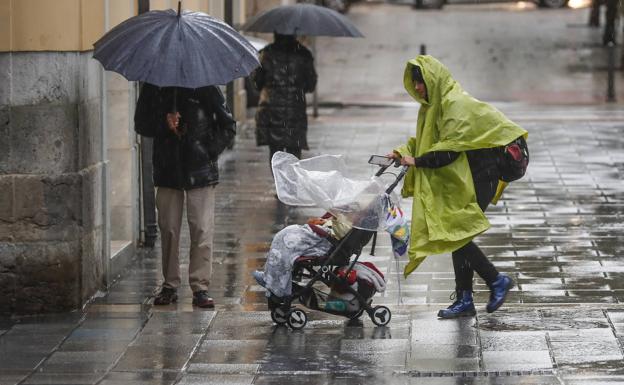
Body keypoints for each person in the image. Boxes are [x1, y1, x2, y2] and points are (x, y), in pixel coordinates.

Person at [388, 55, 528, 319]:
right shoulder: (434, 106)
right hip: (469, 174)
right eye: (414, 82)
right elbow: (427, 141)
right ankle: (465, 298)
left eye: (420, 81)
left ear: (432, 79)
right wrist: (402, 152)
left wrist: (416, 161)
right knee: (455, 233)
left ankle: (495, 280)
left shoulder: (455, 104)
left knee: (455, 233)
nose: (417, 87)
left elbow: (449, 151)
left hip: (484, 173)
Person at [134, 83, 236, 308]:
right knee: (168, 228)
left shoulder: (205, 85)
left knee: (201, 227)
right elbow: (141, 123)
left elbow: (228, 125)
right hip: (168, 169)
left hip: (200, 170)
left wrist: (207, 150)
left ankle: (200, 286)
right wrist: (164, 123)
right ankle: (170, 284)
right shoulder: (154, 86)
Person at [252, 33, 317, 163]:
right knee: (294, 152)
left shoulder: (266, 54)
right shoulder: (303, 54)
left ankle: (278, 182)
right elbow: (311, 85)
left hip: (272, 110)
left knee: (276, 152)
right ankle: (291, 181)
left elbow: (257, 83)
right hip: (295, 110)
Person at [252, 214, 350, 298]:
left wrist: (334, 217)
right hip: (322, 234)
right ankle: (271, 278)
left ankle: (276, 284)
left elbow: (339, 231)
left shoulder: (350, 222)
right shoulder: (350, 215)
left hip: (326, 241)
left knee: (286, 242)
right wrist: (326, 220)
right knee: (284, 234)